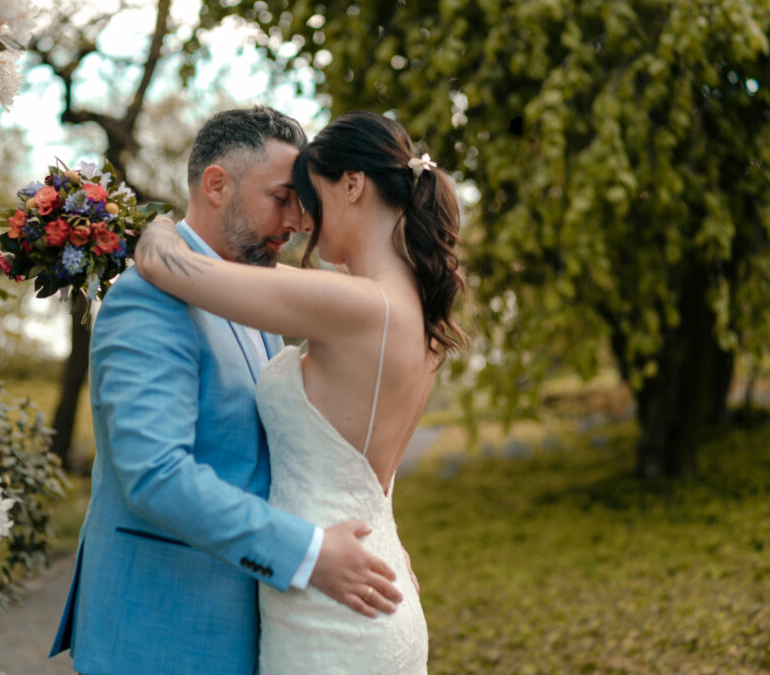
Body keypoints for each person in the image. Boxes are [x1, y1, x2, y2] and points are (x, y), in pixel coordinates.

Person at [49, 106, 403, 675]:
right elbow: (156, 475)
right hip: (161, 635)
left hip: (255, 627)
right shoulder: (149, 298)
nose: (298, 220)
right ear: (217, 185)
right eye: (282, 197)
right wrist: (307, 554)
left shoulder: (250, 293)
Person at [135, 110, 467, 673]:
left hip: (329, 607)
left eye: (310, 196)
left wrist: (155, 223)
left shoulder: (357, 305)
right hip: (373, 576)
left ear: (354, 185)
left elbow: (162, 264)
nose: (304, 222)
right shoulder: (409, 311)